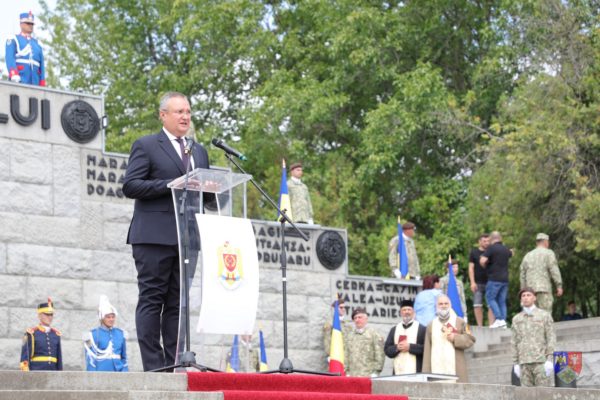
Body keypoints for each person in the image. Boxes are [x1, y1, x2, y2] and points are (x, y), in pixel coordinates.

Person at [123, 91, 212, 371]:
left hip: (188, 239)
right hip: (153, 237)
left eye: (188, 112)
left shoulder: (199, 151)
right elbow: (131, 185)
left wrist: (212, 189)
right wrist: (171, 184)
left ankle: (173, 366)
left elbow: (206, 196)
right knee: (152, 299)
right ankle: (154, 367)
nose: (185, 116)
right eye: (179, 112)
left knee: (177, 303)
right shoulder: (147, 145)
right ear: (163, 115)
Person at [422, 295, 475, 382]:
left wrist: (455, 338)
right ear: (436, 306)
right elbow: (427, 350)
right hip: (436, 368)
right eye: (440, 304)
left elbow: (470, 339)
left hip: (456, 369)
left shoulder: (461, 322)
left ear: (450, 305)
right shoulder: (430, 325)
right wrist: (426, 372)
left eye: (446, 303)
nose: (443, 306)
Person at [511, 287, 555, 387]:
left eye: (528, 295)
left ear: (534, 298)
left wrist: (549, 359)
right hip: (524, 363)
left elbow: (551, 337)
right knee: (526, 394)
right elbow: (514, 341)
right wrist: (515, 363)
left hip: (540, 361)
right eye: (523, 296)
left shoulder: (544, 315)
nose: (526, 298)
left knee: (543, 393)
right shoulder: (516, 319)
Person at [519, 233, 563, 315]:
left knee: (531, 315)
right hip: (544, 289)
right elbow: (554, 270)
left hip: (530, 291)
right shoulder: (548, 253)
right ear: (546, 242)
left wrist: (523, 291)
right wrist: (559, 285)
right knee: (545, 314)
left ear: (537, 243)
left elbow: (522, 275)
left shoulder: (527, 255)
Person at [84, 295, 129, 372]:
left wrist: (124, 373)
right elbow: (90, 360)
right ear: (102, 318)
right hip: (101, 373)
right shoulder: (92, 335)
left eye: (113, 317)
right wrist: (93, 377)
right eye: (108, 317)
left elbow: (124, 358)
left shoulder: (120, 334)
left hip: (119, 373)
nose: (111, 319)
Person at [384, 299, 427, 375]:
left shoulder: (422, 329)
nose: (406, 312)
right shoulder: (394, 329)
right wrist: (397, 347)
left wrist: (410, 347)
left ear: (413, 312)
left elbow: (426, 349)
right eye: (404, 310)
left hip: (416, 372)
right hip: (398, 372)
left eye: (409, 310)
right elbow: (387, 350)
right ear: (401, 313)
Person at [480, 231, 512, 328]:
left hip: (494, 278)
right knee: (501, 301)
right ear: (500, 238)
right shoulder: (505, 249)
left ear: (491, 239)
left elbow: (482, 260)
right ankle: (503, 322)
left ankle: (498, 319)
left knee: (490, 298)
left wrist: (485, 266)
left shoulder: (491, 248)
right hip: (505, 279)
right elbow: (511, 253)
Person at [20, 298, 62, 371]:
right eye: (47, 314)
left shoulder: (56, 334)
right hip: (37, 371)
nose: (50, 317)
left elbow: (59, 358)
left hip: (53, 372)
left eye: (51, 314)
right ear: (39, 316)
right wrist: (26, 373)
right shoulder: (31, 333)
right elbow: (25, 356)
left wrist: (60, 374)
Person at [5, 11, 46, 86]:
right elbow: (10, 58)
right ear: (21, 24)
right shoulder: (14, 39)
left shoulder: (37, 44)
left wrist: (42, 81)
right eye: (28, 23)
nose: (30, 26)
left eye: (32, 24)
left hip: (35, 82)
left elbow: (41, 66)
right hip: (20, 79)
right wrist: (14, 74)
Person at [344, 307, 385, 377]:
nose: (357, 320)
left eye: (360, 317)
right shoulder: (349, 335)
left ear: (366, 319)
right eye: (355, 318)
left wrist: (376, 372)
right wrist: (347, 371)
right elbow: (346, 354)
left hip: (368, 375)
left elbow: (379, 354)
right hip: (352, 375)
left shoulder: (374, 334)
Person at [468, 233, 494, 327]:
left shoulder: (492, 252)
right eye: (484, 241)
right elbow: (471, 268)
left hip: (491, 282)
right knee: (477, 304)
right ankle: (480, 326)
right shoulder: (474, 252)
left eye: (488, 241)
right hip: (478, 283)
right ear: (479, 242)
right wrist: (472, 282)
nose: (487, 243)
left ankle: (491, 325)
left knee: (491, 305)